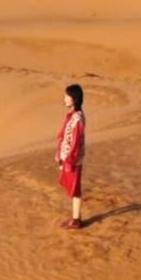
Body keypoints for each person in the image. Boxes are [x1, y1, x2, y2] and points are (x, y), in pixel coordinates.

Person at [55, 83, 86, 229]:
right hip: (68, 158)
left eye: (67, 96)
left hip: (73, 160)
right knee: (73, 188)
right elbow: (65, 137)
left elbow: (75, 141)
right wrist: (59, 153)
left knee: (75, 189)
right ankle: (75, 218)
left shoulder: (78, 118)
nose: (65, 98)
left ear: (74, 98)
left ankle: (76, 220)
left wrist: (69, 160)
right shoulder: (72, 116)